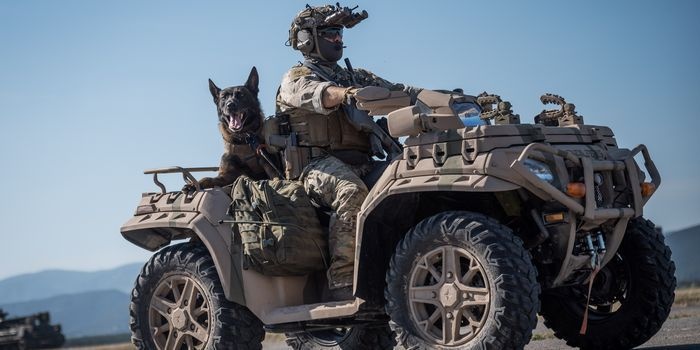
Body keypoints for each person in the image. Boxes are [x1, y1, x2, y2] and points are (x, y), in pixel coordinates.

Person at [276, 4, 420, 300]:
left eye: (339, 32)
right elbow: (322, 95)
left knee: (413, 179)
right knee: (351, 192)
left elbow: (402, 93)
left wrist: (449, 99)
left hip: (365, 161)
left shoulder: (354, 75)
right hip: (314, 168)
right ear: (306, 39)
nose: (338, 39)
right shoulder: (295, 78)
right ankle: (344, 280)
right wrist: (347, 94)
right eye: (329, 32)